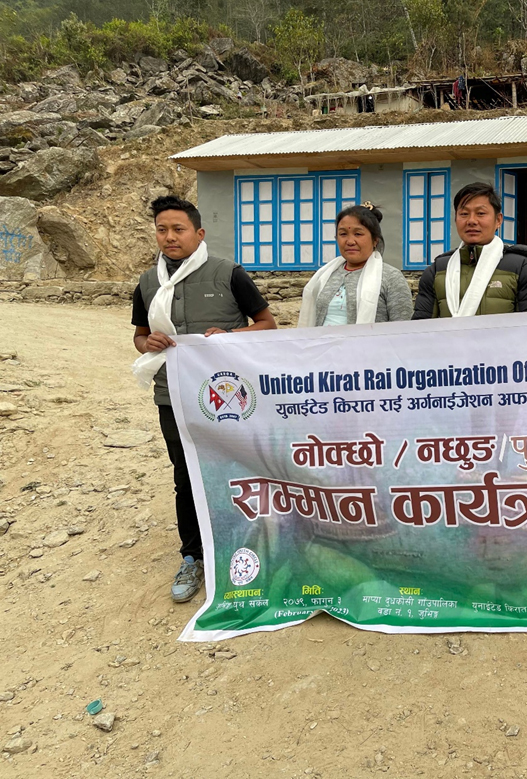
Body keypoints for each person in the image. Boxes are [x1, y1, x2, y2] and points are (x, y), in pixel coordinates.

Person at [131, 196, 277, 603]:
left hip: (231, 399)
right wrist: (148, 343)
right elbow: (139, 336)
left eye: (178, 229)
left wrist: (230, 337)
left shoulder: (228, 273)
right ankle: (193, 557)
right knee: (186, 476)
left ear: (199, 233)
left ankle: (251, 551)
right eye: (162, 229)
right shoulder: (148, 282)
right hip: (173, 396)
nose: (169, 237)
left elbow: (267, 324)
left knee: (239, 470)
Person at [412, 182, 527, 318]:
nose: (471, 221)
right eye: (464, 214)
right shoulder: (437, 271)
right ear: (455, 219)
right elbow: (421, 325)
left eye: (481, 213)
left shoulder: (522, 268)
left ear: (498, 220)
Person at [297, 202, 414, 327]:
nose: (350, 241)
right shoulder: (325, 275)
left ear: (375, 240)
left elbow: (403, 329)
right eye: (343, 234)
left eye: (358, 234)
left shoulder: (391, 278)